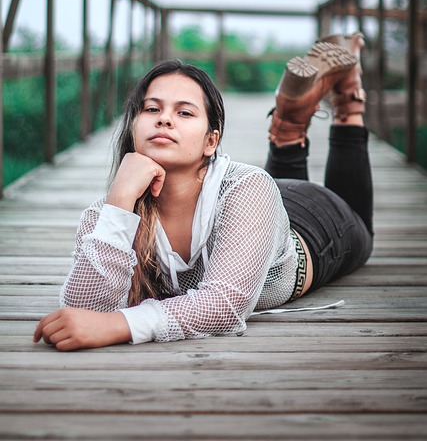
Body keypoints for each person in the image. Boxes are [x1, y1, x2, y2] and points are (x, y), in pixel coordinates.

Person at [33, 33, 373, 351]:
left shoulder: (248, 186)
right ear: (132, 126)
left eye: (184, 112)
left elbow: (225, 303)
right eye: (152, 109)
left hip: (313, 226)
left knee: (362, 227)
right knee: (272, 179)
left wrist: (121, 325)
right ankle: (287, 127)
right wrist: (120, 204)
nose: (164, 119)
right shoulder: (102, 215)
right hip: (256, 214)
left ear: (211, 140)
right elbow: (84, 313)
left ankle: (347, 104)